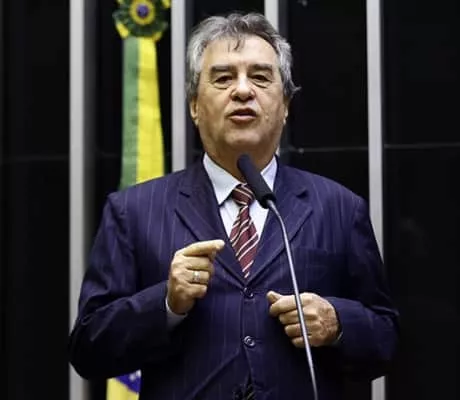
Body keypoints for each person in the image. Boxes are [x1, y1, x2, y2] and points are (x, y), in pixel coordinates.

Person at [69, 12, 399, 400]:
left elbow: (386, 341)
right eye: (223, 78)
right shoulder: (134, 211)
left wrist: (337, 323)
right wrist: (166, 303)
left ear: (285, 104)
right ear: (194, 105)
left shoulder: (340, 208)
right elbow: (88, 350)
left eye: (260, 77)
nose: (242, 91)